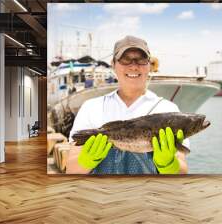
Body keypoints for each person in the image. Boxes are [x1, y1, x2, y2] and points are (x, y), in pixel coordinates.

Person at [66, 35, 189, 174]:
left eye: (141, 59)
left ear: (149, 65)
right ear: (113, 64)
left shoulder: (168, 109)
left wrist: (168, 164)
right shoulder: (91, 107)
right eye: (125, 59)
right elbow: (71, 170)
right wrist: (86, 160)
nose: (134, 66)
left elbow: (182, 170)